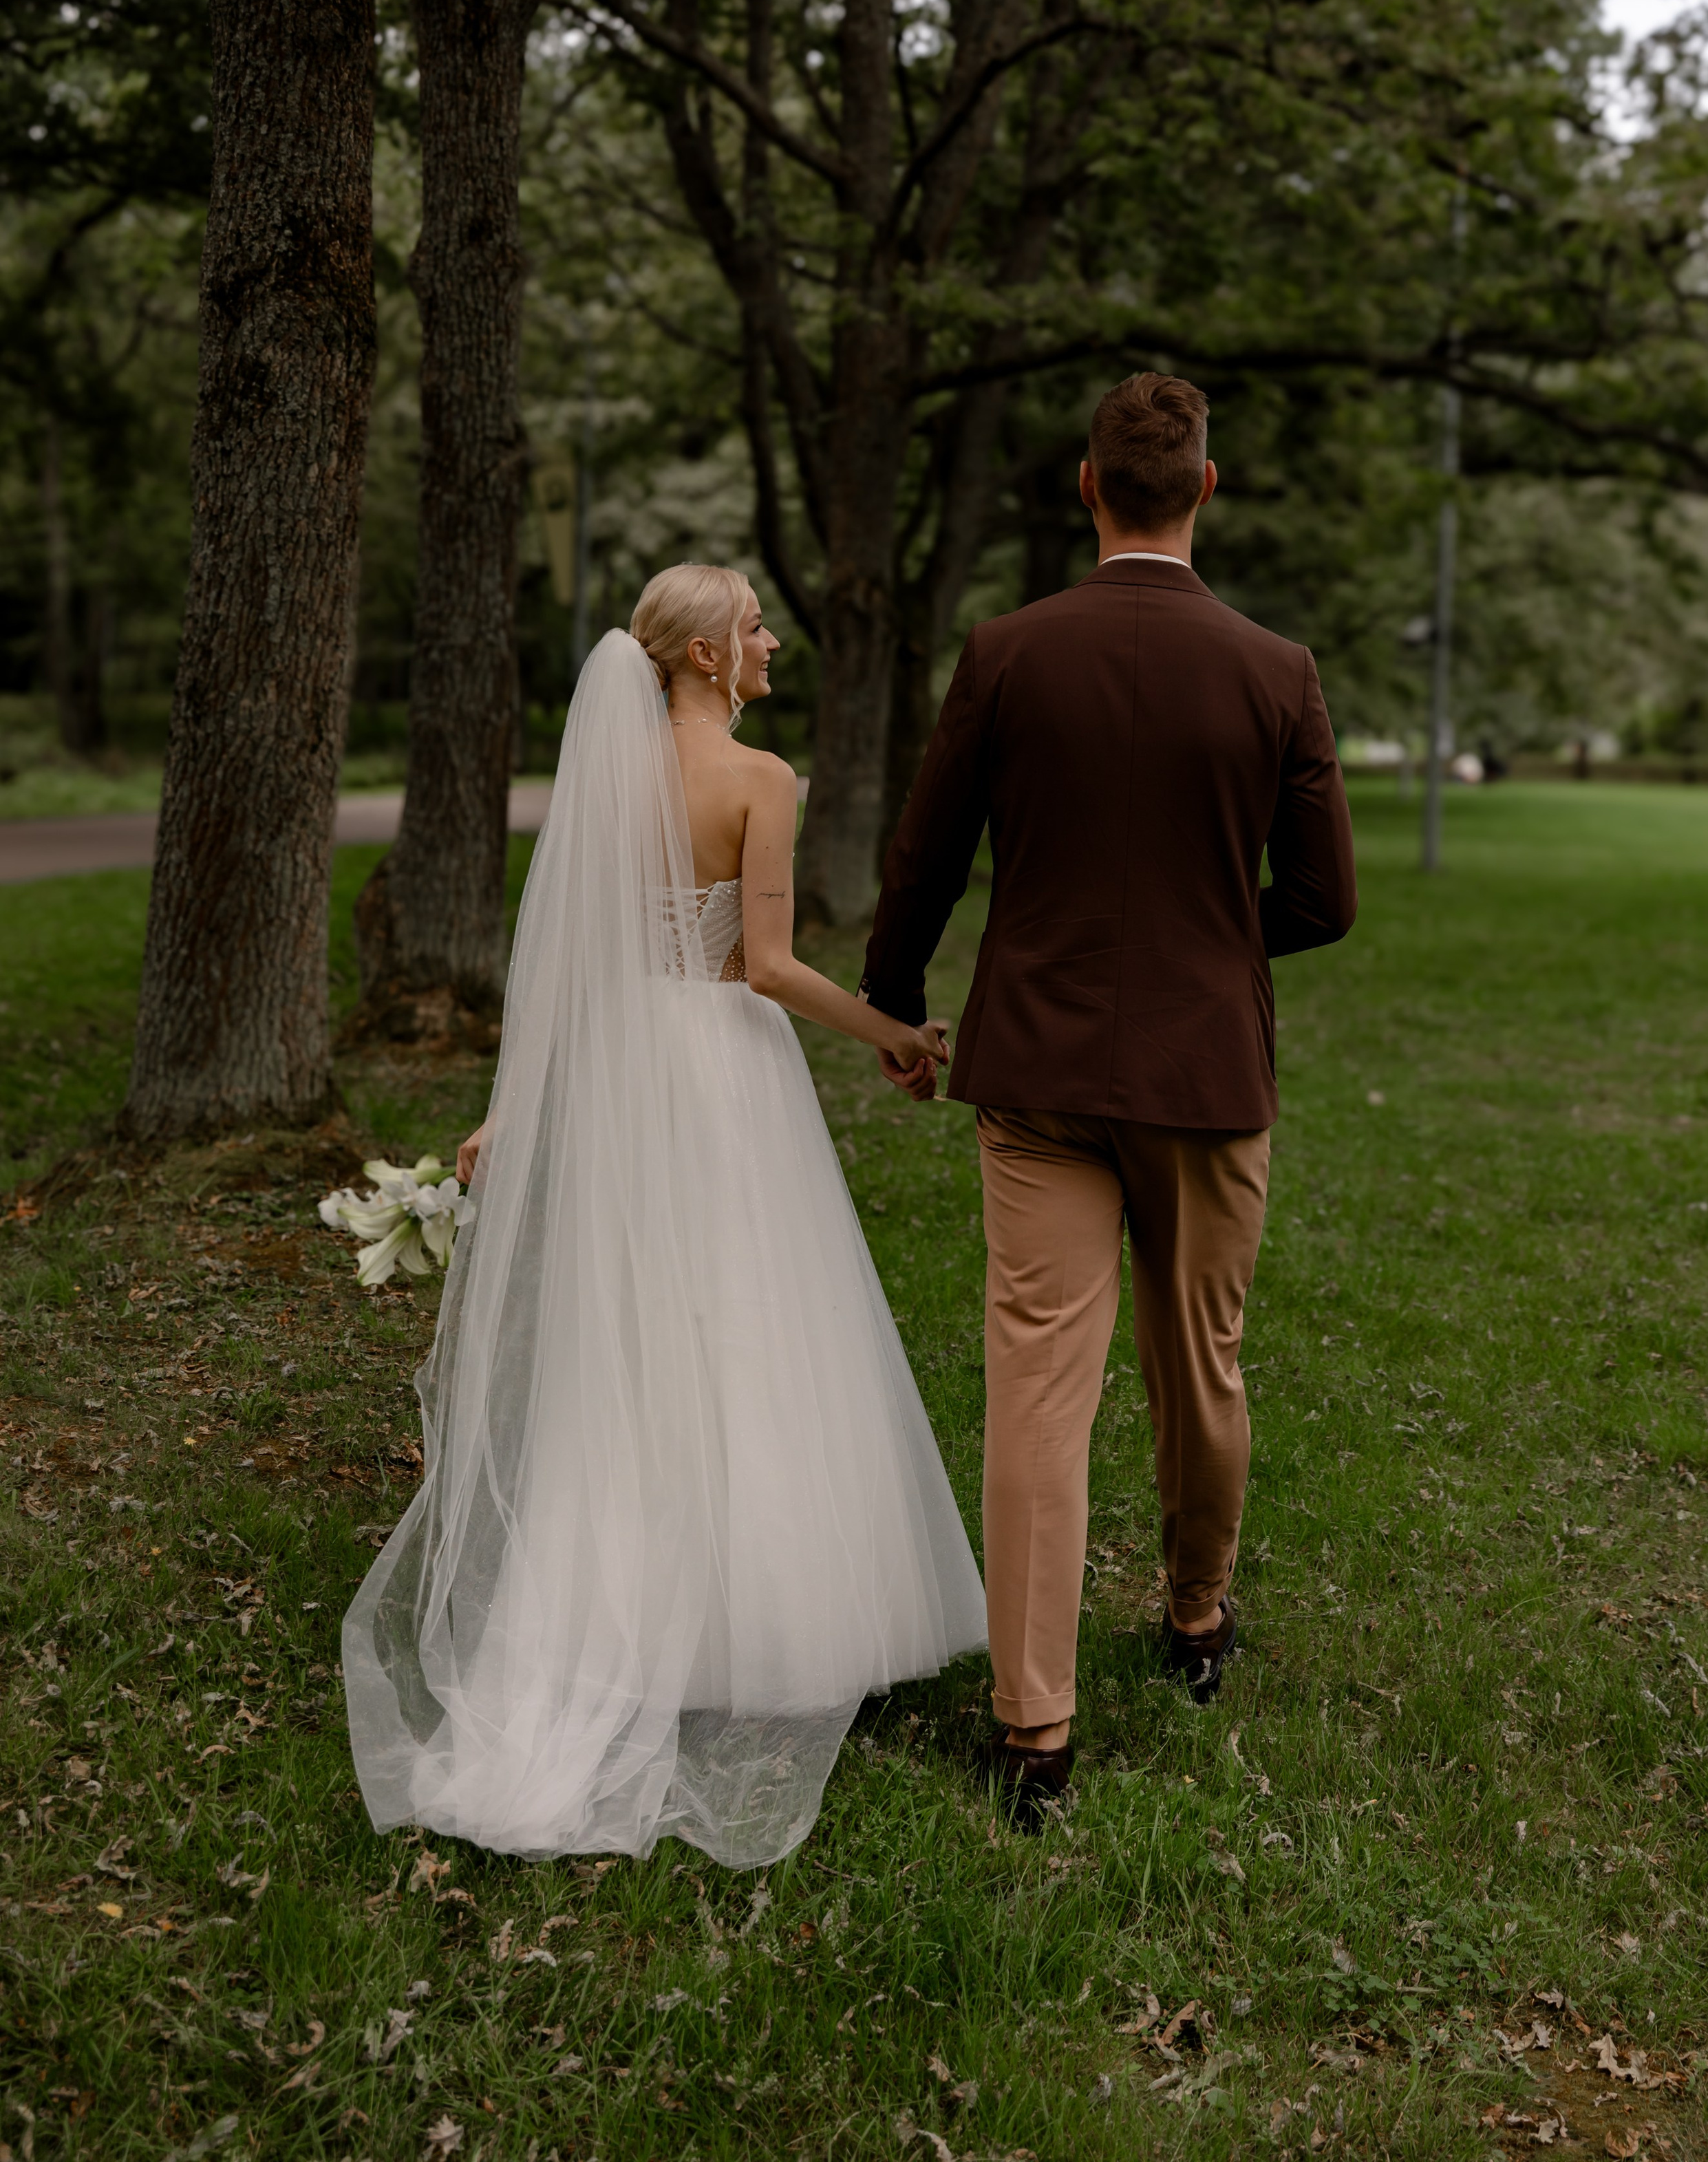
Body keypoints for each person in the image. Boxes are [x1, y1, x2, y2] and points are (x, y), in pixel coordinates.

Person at [342, 566, 985, 1867]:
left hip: (622, 1072)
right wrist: (895, 1034)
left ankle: (608, 1613)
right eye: (754, 628)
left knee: (632, 1347)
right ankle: (762, 1625)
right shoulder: (763, 780)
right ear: (702, 657)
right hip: (719, 1076)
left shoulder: (611, 783)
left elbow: (571, 962)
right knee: (747, 1325)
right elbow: (767, 966)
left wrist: (512, 1110)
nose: (771, 643)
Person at [860, 373, 1357, 1825]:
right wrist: (1203, 937)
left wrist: (895, 1006)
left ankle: (1032, 1730)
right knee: (1198, 1361)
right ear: (1205, 488)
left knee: (1036, 1382)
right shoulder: (1277, 669)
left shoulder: (1006, 652)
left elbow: (923, 860)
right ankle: (1195, 1615)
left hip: (1040, 1067)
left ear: (1086, 488)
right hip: (1204, 1076)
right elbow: (1322, 903)